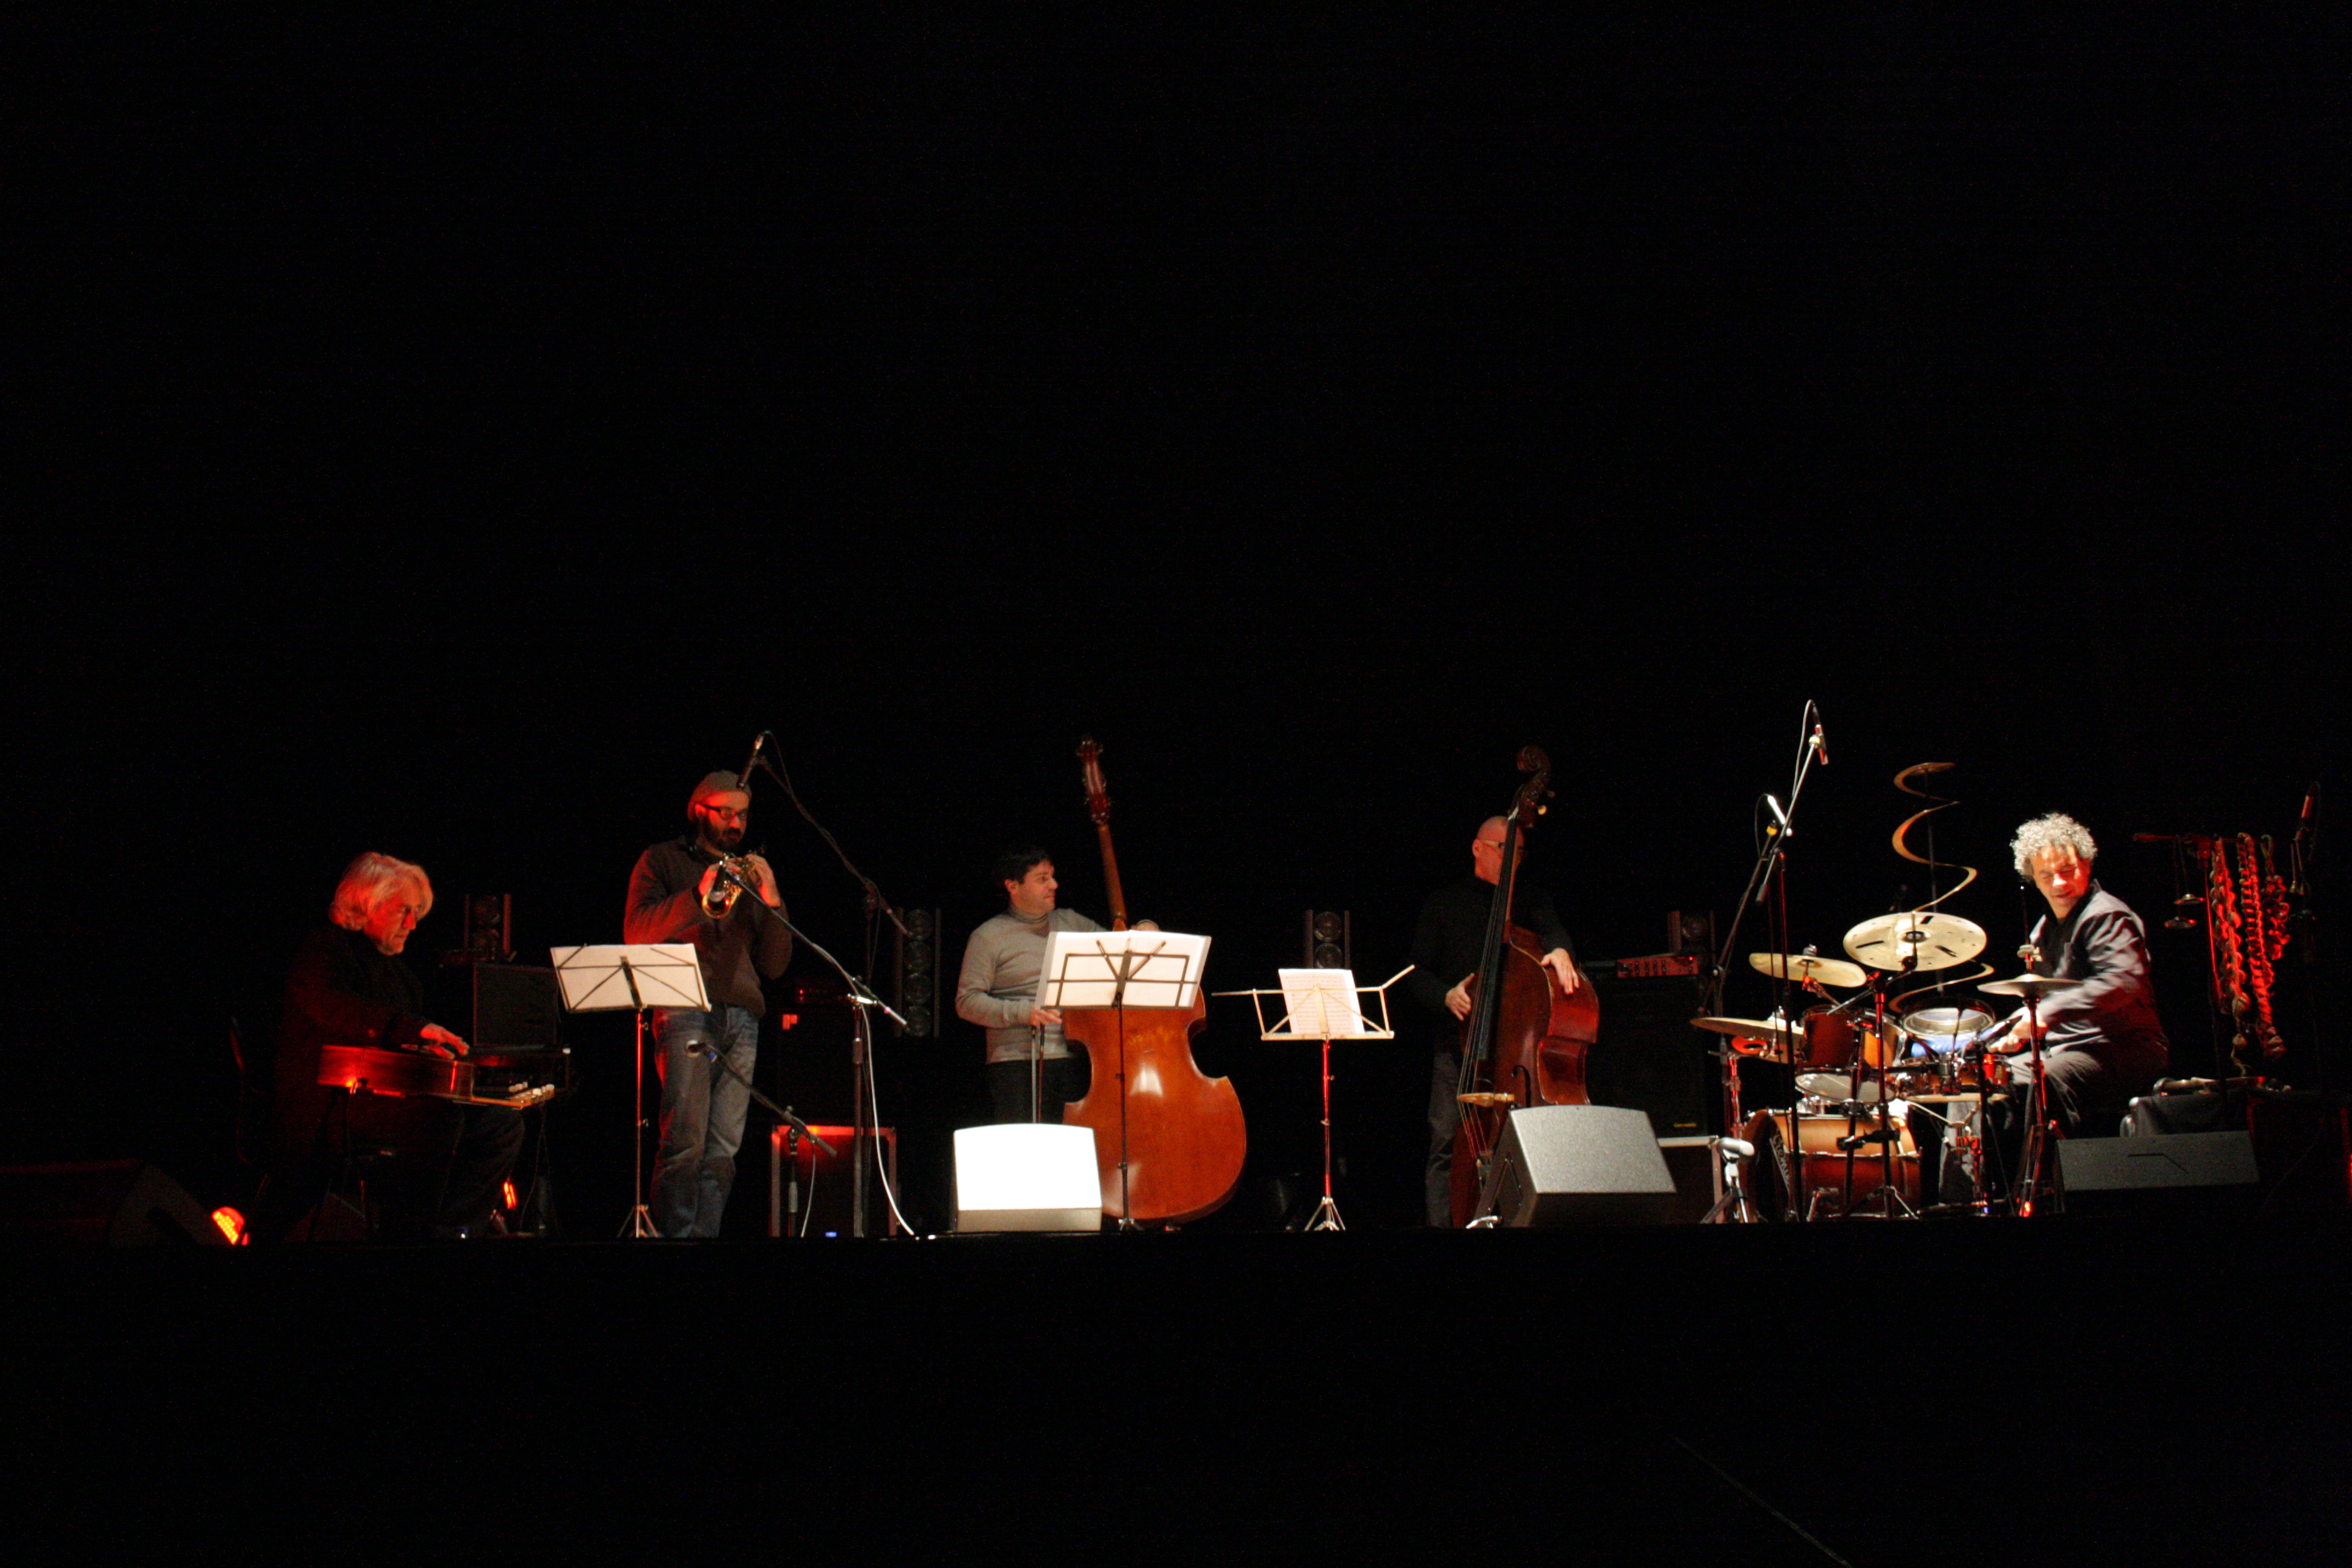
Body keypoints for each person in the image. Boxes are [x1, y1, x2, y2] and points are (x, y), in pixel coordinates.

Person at [275, 852, 523, 1240]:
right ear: (364, 906)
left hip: (379, 1095)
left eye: (416, 913)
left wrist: (430, 1054)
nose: (412, 924)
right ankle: (407, 1237)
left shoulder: (401, 975)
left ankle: (456, 1230)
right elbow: (335, 1008)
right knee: (436, 1119)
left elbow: (401, 1047)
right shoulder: (324, 949)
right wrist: (411, 1029)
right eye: (402, 911)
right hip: (326, 1103)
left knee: (501, 1122)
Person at [623, 770, 794, 1238]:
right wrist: (698, 895)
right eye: (726, 812)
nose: (735, 823)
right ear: (700, 810)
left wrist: (773, 902)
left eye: (742, 814)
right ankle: (675, 1241)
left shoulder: (749, 869)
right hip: (684, 1008)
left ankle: (705, 1240)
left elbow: (775, 965)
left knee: (723, 1149)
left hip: (742, 1015)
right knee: (684, 1142)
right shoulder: (662, 859)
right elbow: (637, 933)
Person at [1405, 817, 1581, 1226]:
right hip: (1459, 1047)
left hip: (1516, 1051)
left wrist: (1560, 950)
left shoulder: (1531, 900)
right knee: (1447, 1145)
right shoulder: (1444, 904)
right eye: (1504, 848)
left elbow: (1554, 931)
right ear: (1477, 848)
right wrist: (1445, 994)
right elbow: (1415, 972)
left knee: (1527, 1146)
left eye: (1519, 851)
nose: (1512, 858)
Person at [1989, 812, 2169, 1135]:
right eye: (2046, 875)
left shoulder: (2107, 914)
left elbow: (2120, 982)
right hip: (2067, 1051)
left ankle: (2043, 1182)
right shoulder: (2043, 931)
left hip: (2123, 1048)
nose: (2059, 882)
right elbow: (2044, 1002)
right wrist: (2015, 1029)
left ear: (2087, 864)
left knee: (2040, 1083)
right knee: (1983, 1085)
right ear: (2032, 878)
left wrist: (2045, 1014)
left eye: (2067, 870)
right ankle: (1983, 1186)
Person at [955, 846, 1109, 1126]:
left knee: (1077, 1145)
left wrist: (1144, 928)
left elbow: (1118, 949)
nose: (1054, 885)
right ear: (1013, 886)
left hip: (1079, 1054)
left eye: (1052, 876)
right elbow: (967, 1002)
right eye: (1042, 879)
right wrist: (1023, 1012)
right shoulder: (988, 936)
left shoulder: (1071, 921)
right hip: (1017, 1063)